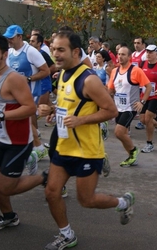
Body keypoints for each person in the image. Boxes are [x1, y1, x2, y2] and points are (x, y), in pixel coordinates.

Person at [42, 31, 134, 250]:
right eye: (54, 49)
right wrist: (53, 110)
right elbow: (72, 107)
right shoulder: (63, 74)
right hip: (64, 146)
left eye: (61, 50)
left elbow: (111, 111)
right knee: (51, 192)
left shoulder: (89, 79)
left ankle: (123, 202)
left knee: (86, 200)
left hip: (86, 150)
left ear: (75, 52)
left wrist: (80, 120)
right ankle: (66, 235)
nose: (56, 54)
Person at [0, 34, 46, 231]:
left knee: (5, 187)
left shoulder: (14, 78)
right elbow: (1, 102)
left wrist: (0, 117)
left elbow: (30, 108)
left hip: (18, 140)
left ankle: (45, 177)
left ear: (4, 55)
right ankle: (8, 216)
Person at [4, 24, 50, 170]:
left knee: (24, 119)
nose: (9, 40)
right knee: (25, 121)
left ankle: (38, 147)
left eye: (11, 38)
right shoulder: (10, 52)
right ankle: (37, 147)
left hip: (31, 93)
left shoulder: (30, 52)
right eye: (7, 38)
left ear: (19, 37)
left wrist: (29, 79)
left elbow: (46, 71)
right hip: (15, 95)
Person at [107, 46, 151, 167]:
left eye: (123, 54)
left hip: (130, 108)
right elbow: (110, 89)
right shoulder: (115, 71)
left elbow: (148, 87)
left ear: (129, 57)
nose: (120, 57)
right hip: (118, 108)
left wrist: (142, 102)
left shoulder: (136, 70)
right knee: (123, 134)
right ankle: (132, 157)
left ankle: (133, 151)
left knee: (119, 132)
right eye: (119, 54)